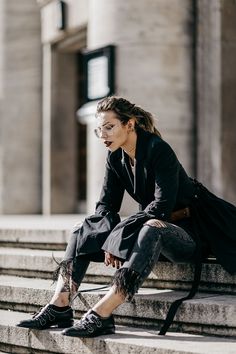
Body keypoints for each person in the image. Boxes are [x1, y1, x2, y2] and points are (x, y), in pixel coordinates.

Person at [17, 96, 236, 337]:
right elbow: (106, 206)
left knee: (153, 226)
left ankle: (102, 313)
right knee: (83, 226)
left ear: (129, 124)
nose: (103, 135)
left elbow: (162, 207)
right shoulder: (115, 157)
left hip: (190, 233)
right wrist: (104, 231)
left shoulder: (157, 149)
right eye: (99, 129)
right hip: (150, 233)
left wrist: (119, 234)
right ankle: (60, 304)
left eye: (109, 127)